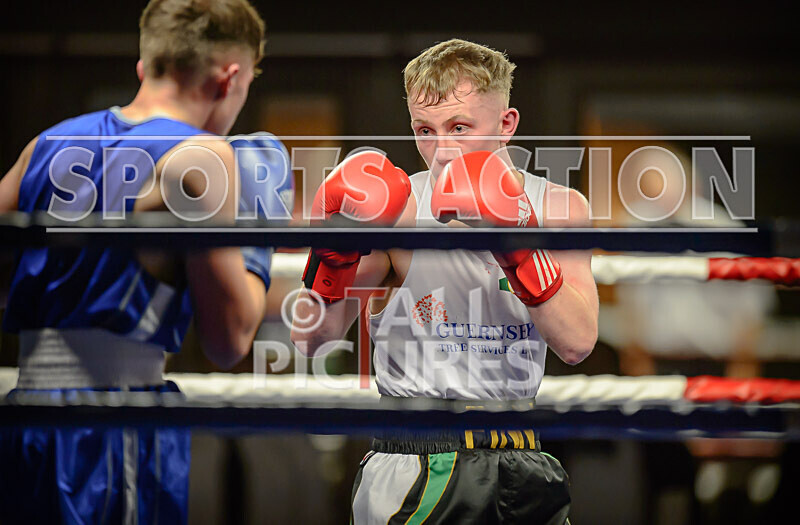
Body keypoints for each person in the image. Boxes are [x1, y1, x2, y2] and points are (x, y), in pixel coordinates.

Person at [0, 0, 288, 523]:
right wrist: (258, 230)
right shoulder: (204, 156)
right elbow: (229, 340)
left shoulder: (43, 144)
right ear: (230, 79)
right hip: (113, 431)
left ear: (145, 68)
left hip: (24, 420)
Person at [291, 39, 598, 523]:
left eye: (459, 127)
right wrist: (334, 256)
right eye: (425, 130)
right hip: (417, 459)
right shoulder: (397, 213)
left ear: (506, 125)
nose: (441, 150)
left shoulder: (558, 208)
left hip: (523, 457)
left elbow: (578, 341)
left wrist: (515, 240)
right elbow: (312, 339)